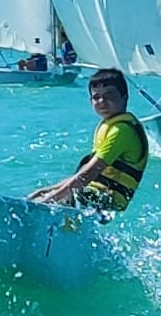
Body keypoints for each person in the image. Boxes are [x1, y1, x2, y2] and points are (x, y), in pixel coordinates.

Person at [29, 67, 149, 212]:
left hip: (107, 200)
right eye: (96, 97)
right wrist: (47, 190)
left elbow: (88, 174)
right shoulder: (109, 126)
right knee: (39, 197)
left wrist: (46, 202)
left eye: (109, 96)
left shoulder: (121, 131)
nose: (102, 101)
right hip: (94, 195)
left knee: (52, 203)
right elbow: (85, 172)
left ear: (124, 97)